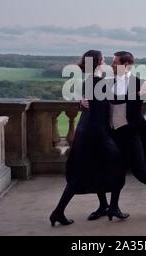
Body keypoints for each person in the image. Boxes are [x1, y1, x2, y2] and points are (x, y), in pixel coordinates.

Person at [83, 51, 146, 221]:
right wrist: (81, 103)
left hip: (131, 134)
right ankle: (111, 207)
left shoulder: (139, 83)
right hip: (111, 134)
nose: (111, 65)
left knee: (141, 172)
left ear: (126, 65)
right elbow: (95, 102)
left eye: (115, 62)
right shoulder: (106, 81)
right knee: (111, 170)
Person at [49, 50, 126, 226]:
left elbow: (90, 106)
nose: (106, 61)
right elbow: (112, 105)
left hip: (86, 131)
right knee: (115, 167)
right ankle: (60, 211)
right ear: (98, 61)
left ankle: (102, 206)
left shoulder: (90, 80)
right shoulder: (99, 82)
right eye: (104, 59)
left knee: (89, 171)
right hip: (95, 133)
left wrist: (81, 103)